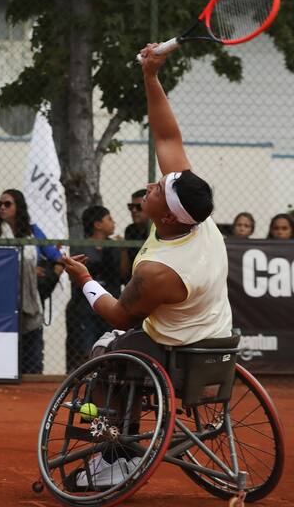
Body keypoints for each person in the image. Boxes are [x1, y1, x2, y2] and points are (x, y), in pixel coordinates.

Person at [61, 44, 233, 487]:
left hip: (175, 355)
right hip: (217, 344)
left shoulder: (158, 270)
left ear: (167, 216)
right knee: (123, 343)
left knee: (105, 353)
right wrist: (152, 75)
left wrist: (85, 281)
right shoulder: (195, 218)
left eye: (157, 190)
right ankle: (122, 441)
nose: (152, 184)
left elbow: (119, 313)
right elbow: (168, 138)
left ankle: (112, 454)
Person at [0, 189, 62, 375]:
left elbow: (55, 256)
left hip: (31, 297)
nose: (2, 207)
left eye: (7, 204)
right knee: (6, 358)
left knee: (33, 357)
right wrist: (25, 267)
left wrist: (52, 273)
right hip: (4, 301)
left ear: (18, 207)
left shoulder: (33, 232)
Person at [65, 206, 124, 370]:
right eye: (109, 219)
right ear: (98, 224)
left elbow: (123, 273)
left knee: (109, 345)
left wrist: (123, 248)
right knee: (85, 346)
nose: (114, 223)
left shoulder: (116, 246)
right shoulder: (82, 247)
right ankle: (85, 377)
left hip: (110, 301)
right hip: (84, 306)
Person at [123, 189, 148, 280]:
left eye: (139, 207)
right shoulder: (130, 230)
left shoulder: (159, 230)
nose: (134, 210)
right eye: (131, 206)